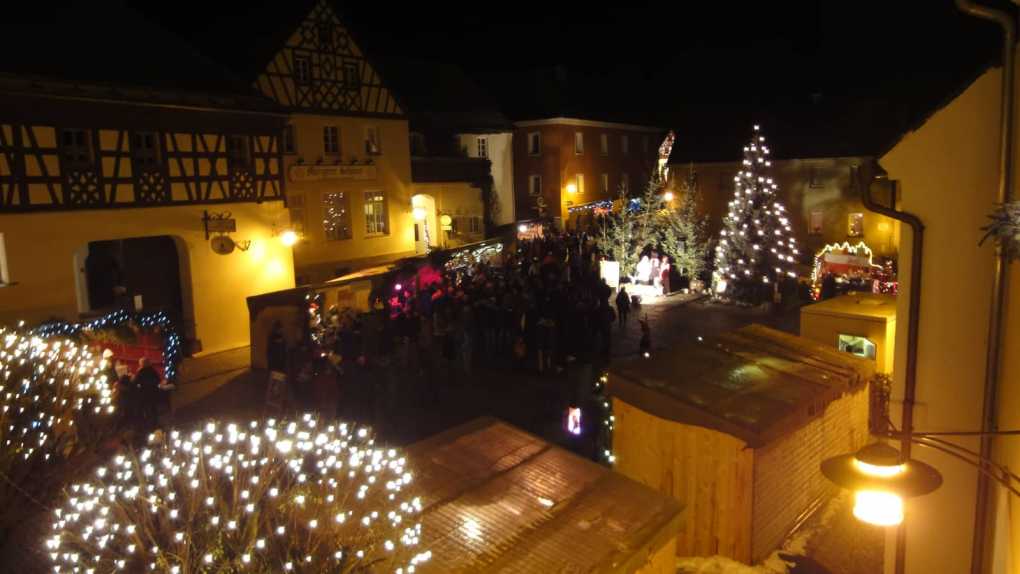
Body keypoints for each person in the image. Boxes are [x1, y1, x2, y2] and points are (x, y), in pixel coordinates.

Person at [133, 357, 162, 438]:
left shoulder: (140, 372)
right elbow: (158, 380)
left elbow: (135, 382)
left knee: (147, 410)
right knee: (153, 409)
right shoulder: (152, 370)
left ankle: (149, 426)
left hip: (145, 395)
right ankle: (155, 423)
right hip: (153, 393)